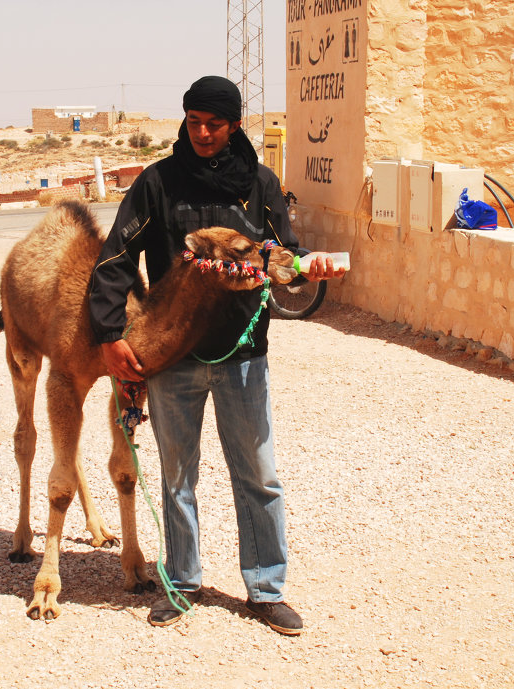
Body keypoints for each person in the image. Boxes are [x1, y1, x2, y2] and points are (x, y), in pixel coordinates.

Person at [87, 75, 344, 634]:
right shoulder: (157, 183)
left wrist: (308, 268)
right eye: (194, 122)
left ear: (233, 126)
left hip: (243, 355)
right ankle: (180, 583)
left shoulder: (259, 183)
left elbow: (285, 254)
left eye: (215, 124)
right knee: (177, 476)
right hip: (173, 359)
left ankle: (265, 589)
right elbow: (115, 261)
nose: (202, 133)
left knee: (258, 474)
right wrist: (110, 338)